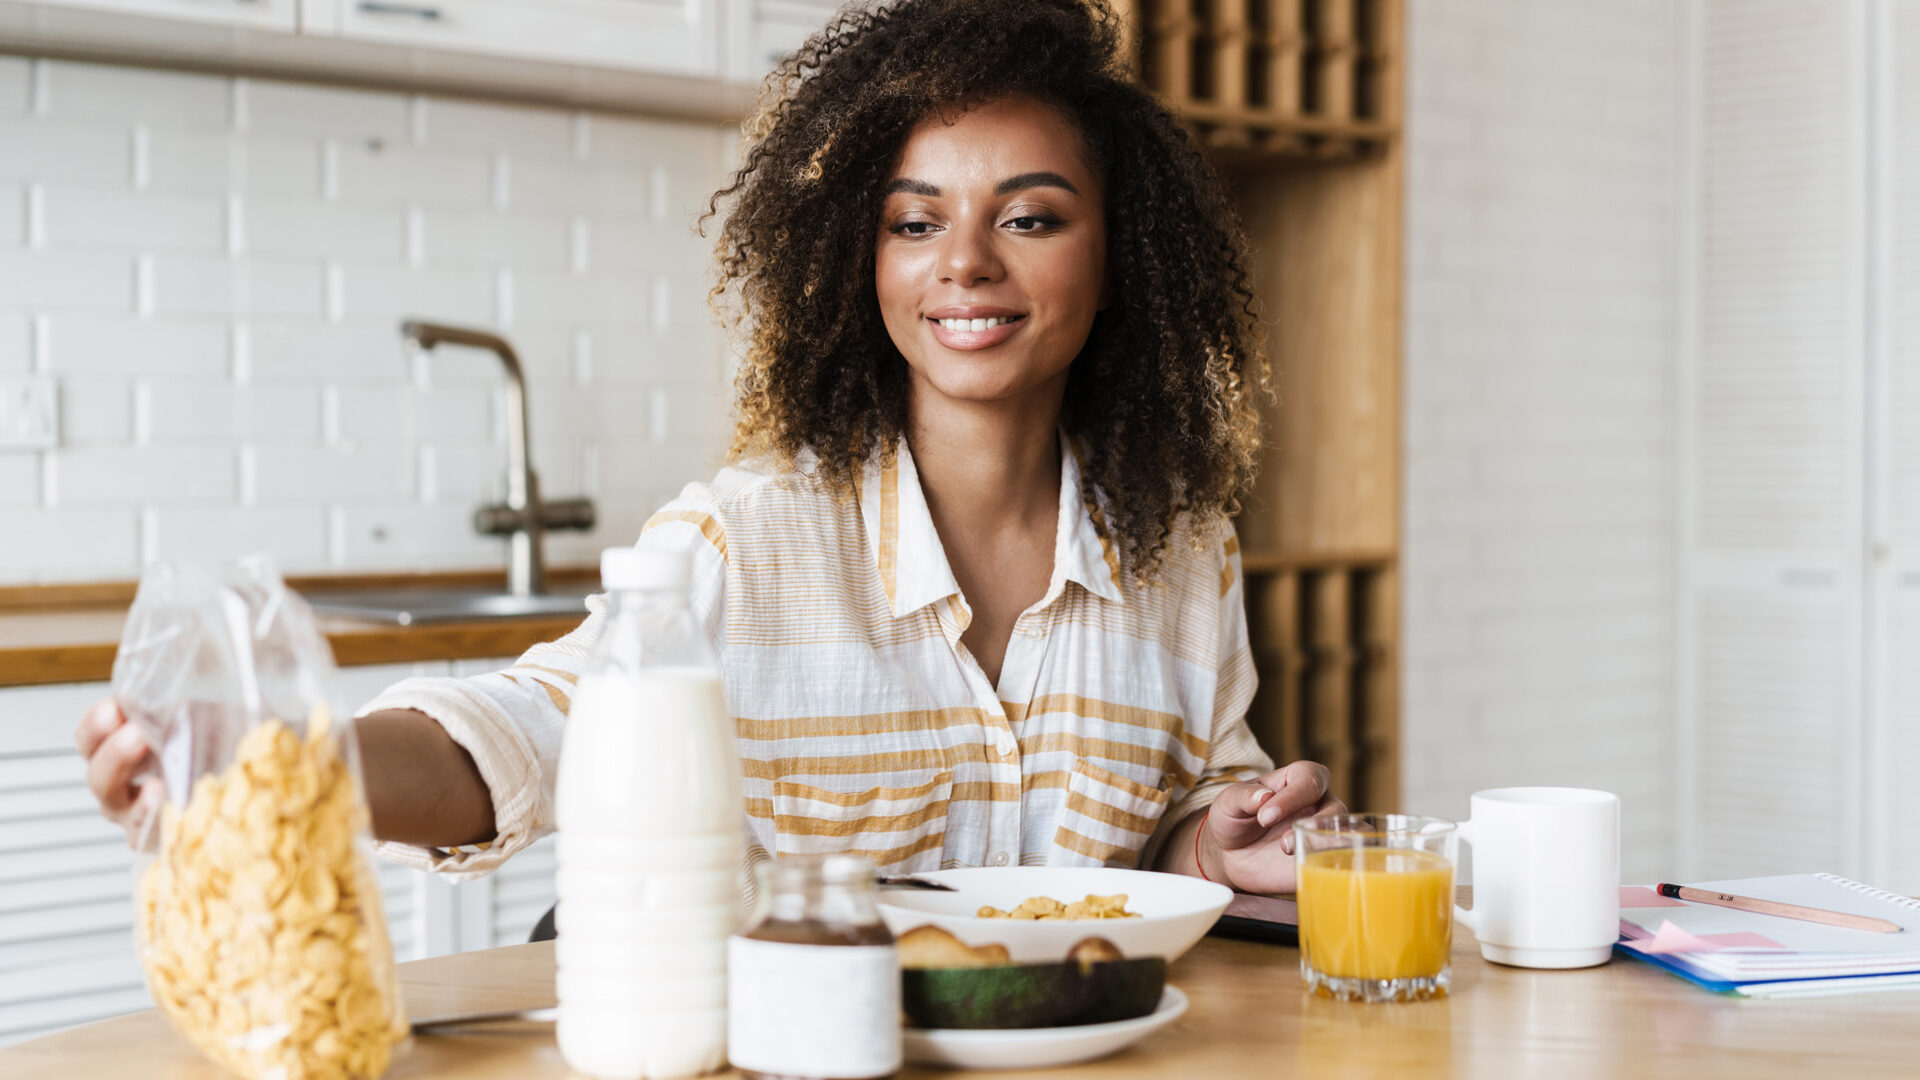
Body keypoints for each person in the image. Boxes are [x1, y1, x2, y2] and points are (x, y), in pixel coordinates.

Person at [77, 0, 1342, 897]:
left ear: (1119, 259)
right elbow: (533, 727)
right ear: (864, 264)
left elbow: (1186, 820)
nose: (966, 262)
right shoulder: (750, 537)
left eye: (1030, 216)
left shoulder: (1184, 556)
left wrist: (1216, 841)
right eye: (915, 222)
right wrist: (285, 761)